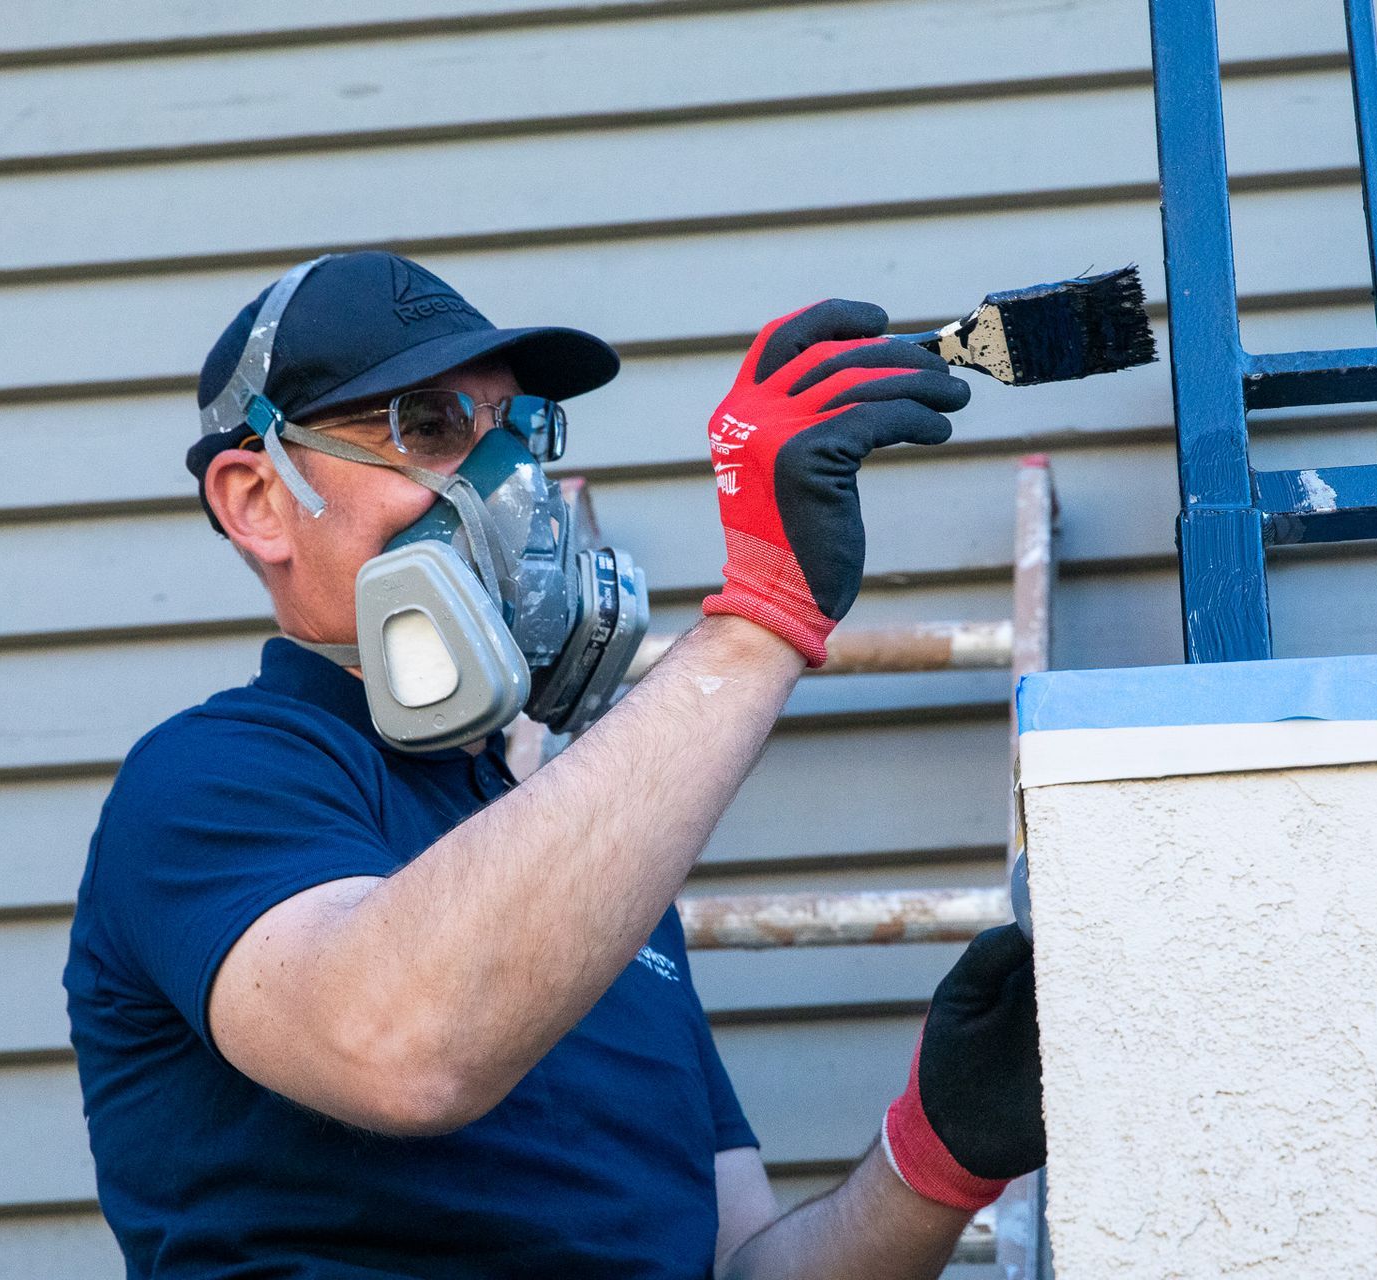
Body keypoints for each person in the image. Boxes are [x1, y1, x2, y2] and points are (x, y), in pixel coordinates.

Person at [63, 250, 1045, 1279]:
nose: (509, 485)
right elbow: (405, 1040)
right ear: (259, 498)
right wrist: (766, 612)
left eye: (520, 430)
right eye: (431, 426)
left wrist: (931, 1156)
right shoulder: (208, 782)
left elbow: (739, 1265)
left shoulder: (594, 868)